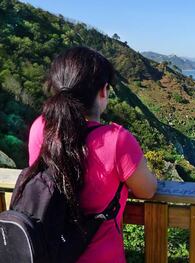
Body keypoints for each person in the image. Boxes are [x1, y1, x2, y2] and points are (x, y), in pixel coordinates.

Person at [26, 46, 157, 262]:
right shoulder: (117, 140)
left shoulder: (40, 128)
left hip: (48, 252)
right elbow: (148, 190)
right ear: (103, 91)